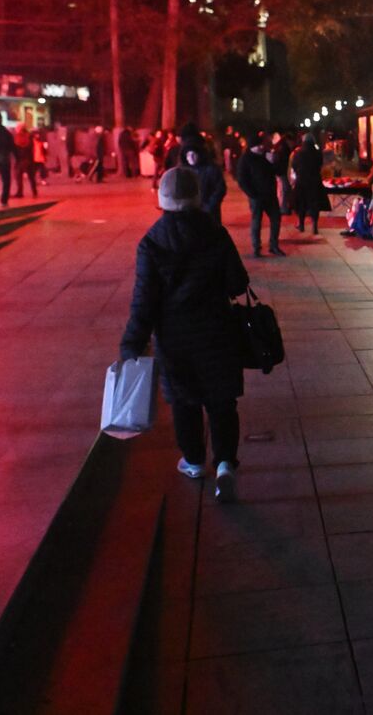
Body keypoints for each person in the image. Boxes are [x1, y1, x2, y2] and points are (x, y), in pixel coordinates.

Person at [120, 167, 250, 502]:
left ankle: (193, 461)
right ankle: (224, 465)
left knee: (184, 402)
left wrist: (132, 343)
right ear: (197, 195)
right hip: (217, 332)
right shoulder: (216, 234)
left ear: (162, 199)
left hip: (175, 339)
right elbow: (238, 283)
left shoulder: (151, 243)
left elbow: (143, 300)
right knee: (222, 402)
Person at [237, 132, 285, 258]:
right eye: (257, 146)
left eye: (261, 145)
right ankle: (256, 247)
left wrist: (274, 161)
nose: (260, 147)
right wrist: (252, 194)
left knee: (276, 218)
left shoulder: (266, 156)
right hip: (256, 196)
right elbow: (242, 179)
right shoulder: (246, 159)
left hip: (270, 194)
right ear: (251, 147)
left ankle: (273, 245)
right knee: (257, 221)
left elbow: (279, 171)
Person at [290, 133, 331, 234]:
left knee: (301, 204)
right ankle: (315, 226)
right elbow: (320, 164)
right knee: (315, 204)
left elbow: (294, 165)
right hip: (315, 181)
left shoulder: (298, 153)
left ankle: (301, 225)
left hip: (301, 181)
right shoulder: (317, 152)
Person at [12, 124, 36, 198]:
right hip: (29, 159)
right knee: (31, 176)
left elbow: (15, 148)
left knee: (18, 176)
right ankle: (34, 191)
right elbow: (31, 148)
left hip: (20, 159)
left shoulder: (17, 137)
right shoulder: (29, 137)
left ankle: (20, 192)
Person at [271, 133, 293, 214]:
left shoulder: (280, 146)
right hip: (282, 171)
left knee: (283, 190)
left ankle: (284, 207)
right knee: (284, 190)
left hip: (280, 171)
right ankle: (283, 208)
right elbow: (284, 161)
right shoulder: (284, 147)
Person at [0, 122, 13, 207]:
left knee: (6, 180)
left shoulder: (6, 133)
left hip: (3, 158)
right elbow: (12, 146)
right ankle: (4, 199)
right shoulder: (6, 133)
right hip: (4, 159)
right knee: (6, 180)